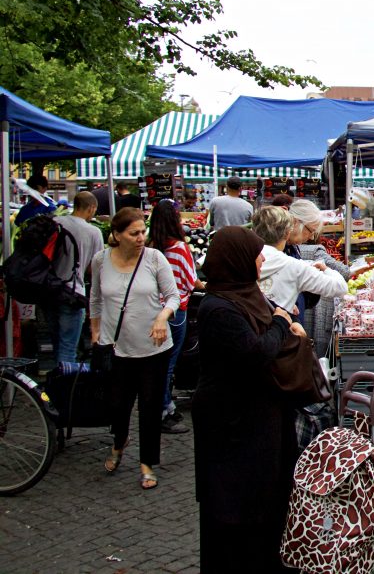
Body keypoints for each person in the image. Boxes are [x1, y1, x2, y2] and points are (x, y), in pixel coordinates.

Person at [192, 227, 304, 572]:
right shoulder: (218, 308)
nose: (261, 259)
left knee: (268, 493)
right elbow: (256, 351)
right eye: (256, 253)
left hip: (262, 412)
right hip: (232, 420)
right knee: (235, 501)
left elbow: (269, 319)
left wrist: (280, 319)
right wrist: (281, 323)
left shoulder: (245, 293)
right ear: (237, 259)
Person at [90, 207, 181, 490]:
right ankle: (119, 441)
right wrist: (94, 331)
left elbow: (174, 295)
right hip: (115, 346)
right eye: (134, 233)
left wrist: (162, 317)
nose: (141, 237)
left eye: (143, 231)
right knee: (117, 405)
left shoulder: (155, 258)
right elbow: (95, 298)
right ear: (116, 235)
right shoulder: (100, 260)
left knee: (150, 407)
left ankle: (147, 463)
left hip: (154, 347)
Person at [146, 200, 205, 435]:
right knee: (168, 363)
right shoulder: (179, 247)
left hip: (153, 309)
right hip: (175, 310)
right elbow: (192, 281)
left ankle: (163, 406)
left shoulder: (150, 247)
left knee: (158, 361)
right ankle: (163, 411)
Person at [41, 191, 103, 363]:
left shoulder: (54, 222)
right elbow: (94, 267)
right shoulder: (93, 232)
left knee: (57, 344)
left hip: (48, 290)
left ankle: (54, 383)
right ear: (91, 208)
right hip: (72, 293)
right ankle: (64, 387)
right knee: (68, 348)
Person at [252, 206, 347, 313]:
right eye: (311, 231)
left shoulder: (242, 258)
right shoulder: (294, 266)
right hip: (280, 325)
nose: (312, 237)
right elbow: (340, 287)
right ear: (287, 233)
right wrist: (326, 269)